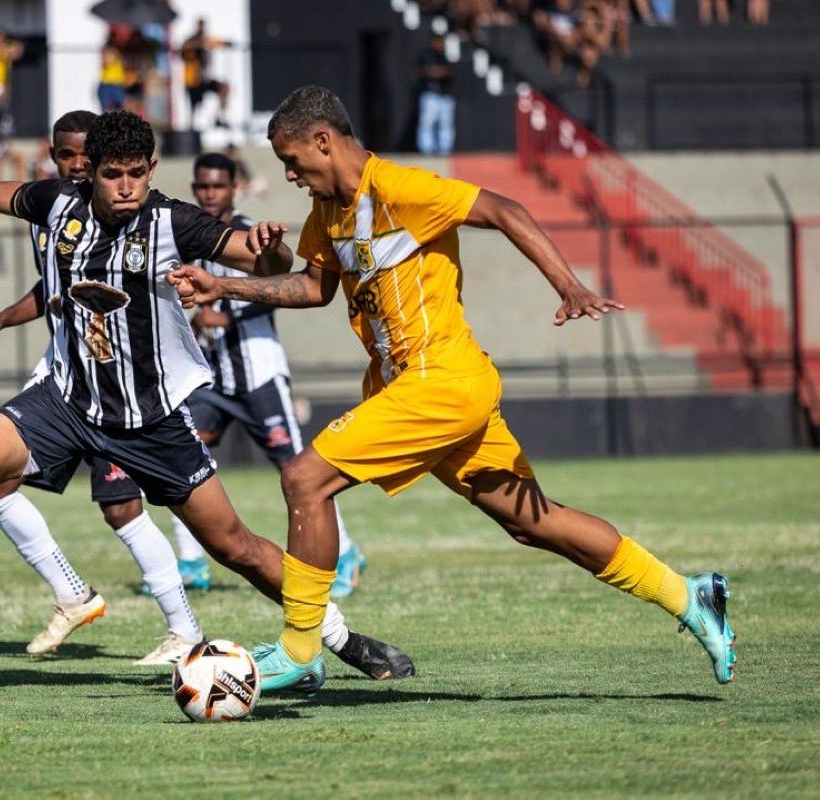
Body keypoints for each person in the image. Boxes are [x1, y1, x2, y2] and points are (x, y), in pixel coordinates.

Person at [167, 86, 736, 693]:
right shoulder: (327, 213)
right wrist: (224, 287)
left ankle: (302, 648)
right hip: (428, 388)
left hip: (440, 379)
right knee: (533, 522)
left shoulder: (404, 189)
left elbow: (507, 210)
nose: (288, 173)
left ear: (323, 141)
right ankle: (691, 595)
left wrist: (568, 285)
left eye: (292, 158)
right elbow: (311, 288)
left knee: (305, 478)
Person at [0, 110, 414, 685]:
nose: (127, 187)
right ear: (89, 173)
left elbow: (260, 260)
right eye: (112, 174)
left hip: (150, 419)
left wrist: (271, 250)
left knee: (237, 548)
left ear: (151, 170)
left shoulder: (175, 222)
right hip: (66, 402)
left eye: (137, 173)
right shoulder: (56, 204)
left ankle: (344, 639)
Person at [0, 110, 205, 664]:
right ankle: (72, 592)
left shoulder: (132, 213)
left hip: (125, 382)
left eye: (83, 157)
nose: (76, 166)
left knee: (124, 508)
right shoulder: (52, 207)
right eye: (66, 156)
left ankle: (185, 628)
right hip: (65, 376)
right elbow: (55, 286)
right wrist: (4, 318)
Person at [173, 152, 367, 597]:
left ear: (234, 188)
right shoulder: (184, 237)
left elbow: (282, 286)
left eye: (218, 186)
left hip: (258, 374)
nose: (210, 194)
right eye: (202, 186)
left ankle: (347, 553)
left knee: (300, 468)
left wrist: (224, 311)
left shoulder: (249, 235)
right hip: (208, 379)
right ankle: (189, 563)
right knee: (182, 462)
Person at [180, 18, 231, 130]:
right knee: (193, 104)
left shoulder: (207, 40)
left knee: (224, 87)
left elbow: (217, 42)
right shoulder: (191, 41)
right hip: (193, 81)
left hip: (205, 79)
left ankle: (219, 117)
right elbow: (183, 51)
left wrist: (227, 43)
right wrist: (198, 44)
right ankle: (191, 127)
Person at [416, 33, 456, 155]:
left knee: (446, 123)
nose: (440, 45)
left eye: (441, 42)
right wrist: (434, 72)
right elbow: (419, 72)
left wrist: (440, 72)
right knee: (427, 123)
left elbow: (451, 71)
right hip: (430, 95)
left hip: (445, 95)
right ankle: (426, 150)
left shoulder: (446, 56)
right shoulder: (425, 56)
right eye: (437, 42)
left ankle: (445, 149)